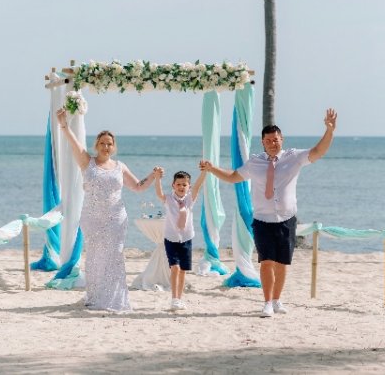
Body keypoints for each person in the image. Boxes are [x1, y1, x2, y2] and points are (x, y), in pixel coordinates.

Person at [200, 108, 337, 318]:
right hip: (262, 220)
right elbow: (234, 176)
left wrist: (329, 130)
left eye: (276, 139)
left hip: (286, 219)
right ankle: (266, 303)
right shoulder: (255, 162)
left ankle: (277, 299)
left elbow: (318, 151)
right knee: (266, 262)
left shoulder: (294, 157)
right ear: (263, 143)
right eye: (269, 140)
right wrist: (212, 169)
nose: (273, 143)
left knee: (282, 264)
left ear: (282, 139)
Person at [56, 108, 160, 312]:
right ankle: (95, 295)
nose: (106, 146)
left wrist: (153, 175)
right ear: (96, 145)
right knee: (95, 256)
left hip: (116, 218)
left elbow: (138, 187)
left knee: (114, 256)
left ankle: (114, 298)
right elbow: (74, 143)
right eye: (102, 143)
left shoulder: (120, 166)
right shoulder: (87, 162)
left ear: (114, 147)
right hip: (92, 218)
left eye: (109, 143)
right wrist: (64, 125)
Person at [154, 168, 207, 311]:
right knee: (175, 268)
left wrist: (204, 171)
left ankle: (179, 298)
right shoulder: (169, 200)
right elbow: (159, 193)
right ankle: (174, 298)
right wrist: (158, 177)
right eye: (178, 184)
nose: (181, 187)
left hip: (186, 238)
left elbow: (198, 186)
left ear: (188, 187)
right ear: (173, 185)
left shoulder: (190, 199)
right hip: (171, 238)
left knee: (183, 270)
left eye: (184, 185)